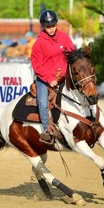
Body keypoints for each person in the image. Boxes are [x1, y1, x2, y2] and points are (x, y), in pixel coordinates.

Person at [31, 9, 75, 144]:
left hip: (64, 77)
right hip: (45, 79)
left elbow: (72, 55)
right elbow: (37, 65)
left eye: (53, 26)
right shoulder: (39, 43)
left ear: (56, 24)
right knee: (43, 102)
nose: (51, 29)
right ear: (43, 26)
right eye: (47, 26)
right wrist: (50, 79)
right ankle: (47, 131)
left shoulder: (64, 38)